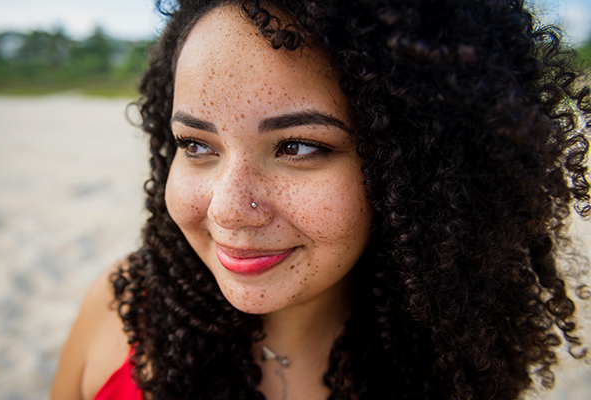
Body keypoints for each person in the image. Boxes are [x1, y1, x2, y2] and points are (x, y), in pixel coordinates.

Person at [50, 0, 591, 399]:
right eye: (196, 145)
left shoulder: (456, 373)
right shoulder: (117, 312)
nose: (227, 209)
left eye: (298, 146)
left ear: (418, 170)